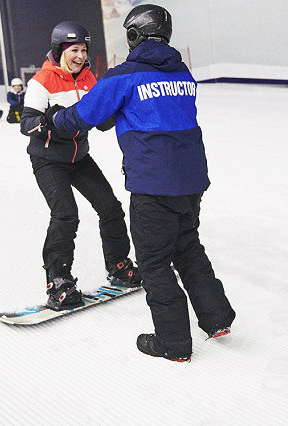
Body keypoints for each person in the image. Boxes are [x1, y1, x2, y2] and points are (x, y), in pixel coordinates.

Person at [44, 5, 236, 361]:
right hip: (191, 180)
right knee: (187, 247)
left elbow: (85, 115)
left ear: (133, 35)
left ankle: (174, 343)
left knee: (154, 262)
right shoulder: (182, 74)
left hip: (153, 183)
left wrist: (55, 118)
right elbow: (154, 108)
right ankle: (217, 318)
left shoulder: (123, 76)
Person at [20, 21, 141, 311]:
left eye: (84, 50)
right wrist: (47, 120)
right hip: (49, 160)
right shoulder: (43, 81)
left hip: (79, 157)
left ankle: (118, 265)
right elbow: (26, 124)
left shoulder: (89, 79)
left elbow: (99, 119)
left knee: (110, 207)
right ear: (60, 50)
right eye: (74, 49)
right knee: (65, 214)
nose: (80, 56)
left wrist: (114, 114)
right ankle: (58, 280)